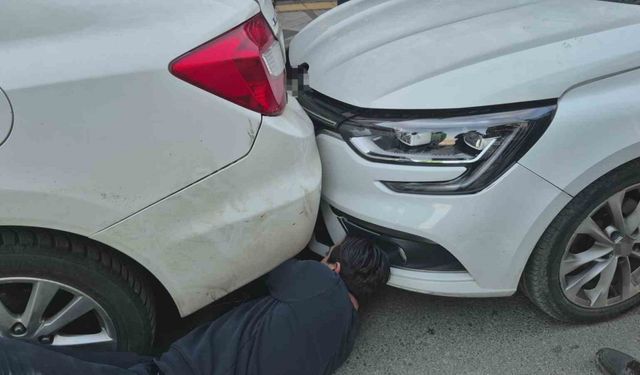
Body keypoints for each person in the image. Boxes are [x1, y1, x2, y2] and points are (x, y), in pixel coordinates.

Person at [0, 236, 390, 375]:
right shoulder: (344, 339)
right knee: (103, 360)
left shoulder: (323, 284)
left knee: (20, 364)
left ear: (335, 266)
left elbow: (268, 264)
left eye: (326, 259)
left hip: (182, 370)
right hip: (166, 364)